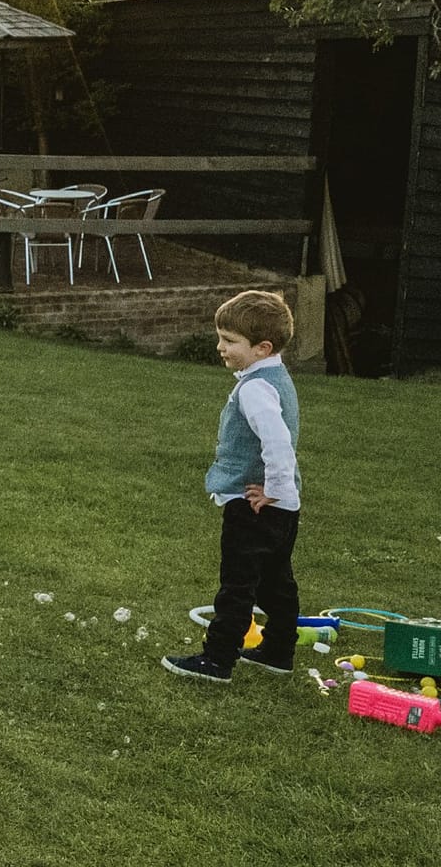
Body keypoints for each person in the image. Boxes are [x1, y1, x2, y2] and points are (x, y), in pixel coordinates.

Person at [162, 289, 303, 683]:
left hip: (254, 504)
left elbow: (278, 441)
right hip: (283, 508)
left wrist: (272, 488)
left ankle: (217, 659)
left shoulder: (256, 388)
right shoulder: (275, 377)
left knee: (238, 584)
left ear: (262, 347)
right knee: (276, 583)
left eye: (229, 340)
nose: (220, 347)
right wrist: (282, 492)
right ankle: (278, 650)